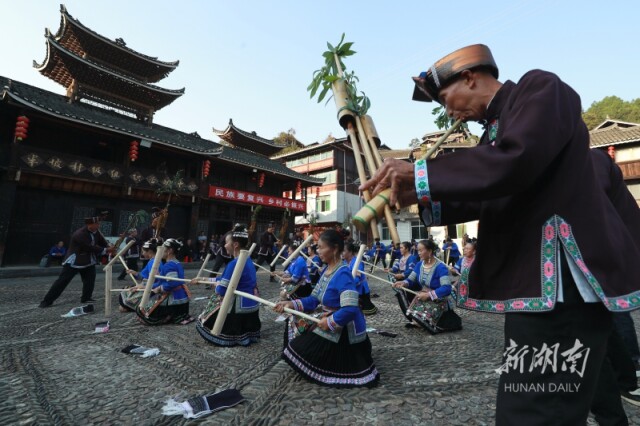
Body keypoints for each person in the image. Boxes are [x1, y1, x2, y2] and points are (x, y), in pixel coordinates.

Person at [360, 43, 640, 424]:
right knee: (558, 397)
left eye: (445, 99)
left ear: (470, 77)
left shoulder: (539, 89)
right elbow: (489, 190)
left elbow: (515, 160)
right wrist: (413, 193)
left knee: (534, 410)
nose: (449, 112)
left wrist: (422, 173)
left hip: (561, 286)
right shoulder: (494, 133)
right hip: (539, 292)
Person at [274, 229, 379, 388]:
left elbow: (350, 308)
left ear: (335, 248)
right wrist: (291, 304)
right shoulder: (327, 270)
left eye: (321, 247)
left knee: (300, 351)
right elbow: (314, 298)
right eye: (318, 247)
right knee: (293, 322)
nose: (318, 251)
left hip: (344, 328)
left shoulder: (343, 273)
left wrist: (330, 322)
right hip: (328, 316)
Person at [195, 224, 261, 346]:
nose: (224, 245)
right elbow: (224, 279)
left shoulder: (234, 264)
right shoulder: (248, 260)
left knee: (202, 319)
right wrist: (204, 279)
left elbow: (222, 290)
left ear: (235, 244)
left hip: (238, 309)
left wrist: (216, 286)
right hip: (251, 306)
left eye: (226, 242)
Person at [39, 215, 112, 307]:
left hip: (88, 260)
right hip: (75, 260)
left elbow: (102, 242)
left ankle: (86, 298)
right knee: (62, 281)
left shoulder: (96, 232)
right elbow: (89, 247)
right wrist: (106, 250)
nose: (99, 226)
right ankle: (46, 301)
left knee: (90, 280)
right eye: (97, 224)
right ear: (90, 225)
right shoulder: (80, 234)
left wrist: (109, 247)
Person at [393, 239, 461, 333]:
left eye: (421, 250)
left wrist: (429, 295)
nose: (419, 253)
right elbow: (410, 279)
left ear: (429, 251)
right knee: (405, 293)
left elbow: (447, 288)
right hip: (423, 296)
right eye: (418, 250)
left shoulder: (440, 267)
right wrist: (403, 283)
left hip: (438, 298)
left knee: (424, 320)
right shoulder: (419, 264)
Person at [136, 238, 193, 325]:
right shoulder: (177, 262)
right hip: (182, 300)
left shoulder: (169, 265)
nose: (160, 252)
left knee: (141, 309)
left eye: (162, 249)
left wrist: (159, 288)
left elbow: (172, 284)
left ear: (169, 250)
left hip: (174, 301)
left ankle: (167, 316)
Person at [118, 238, 158, 312]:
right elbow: (144, 276)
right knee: (124, 290)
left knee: (124, 295)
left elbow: (155, 279)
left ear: (149, 251)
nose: (142, 253)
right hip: (147, 286)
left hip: (150, 290)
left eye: (143, 251)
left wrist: (143, 286)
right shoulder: (152, 261)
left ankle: (133, 307)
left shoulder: (154, 263)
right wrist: (134, 273)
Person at [386, 241, 419, 321]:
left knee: (411, 298)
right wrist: (390, 269)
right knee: (405, 298)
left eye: (401, 248)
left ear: (407, 249)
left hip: (411, 282)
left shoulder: (412, 258)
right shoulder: (402, 257)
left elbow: (411, 271)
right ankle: (411, 316)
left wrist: (402, 275)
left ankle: (416, 317)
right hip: (403, 281)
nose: (400, 249)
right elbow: (396, 266)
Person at [343, 241, 377, 315]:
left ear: (350, 252)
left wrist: (346, 284)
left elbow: (357, 279)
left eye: (344, 251)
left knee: (366, 311)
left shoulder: (357, 262)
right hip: (349, 288)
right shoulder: (344, 262)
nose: (341, 253)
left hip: (360, 290)